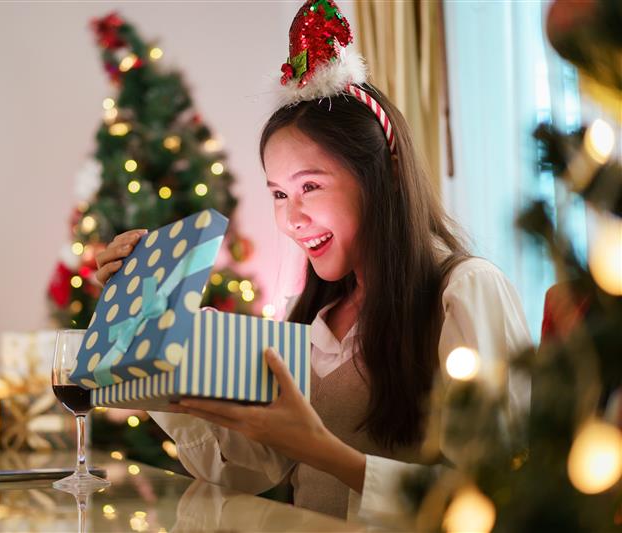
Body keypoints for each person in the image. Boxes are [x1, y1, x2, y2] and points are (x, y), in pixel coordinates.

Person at [93, 0, 531, 522]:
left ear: (385, 174)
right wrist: (156, 336)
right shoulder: (311, 321)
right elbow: (245, 472)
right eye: (279, 194)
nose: (290, 218)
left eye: (311, 187)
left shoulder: (462, 292)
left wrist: (322, 450)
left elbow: (500, 493)